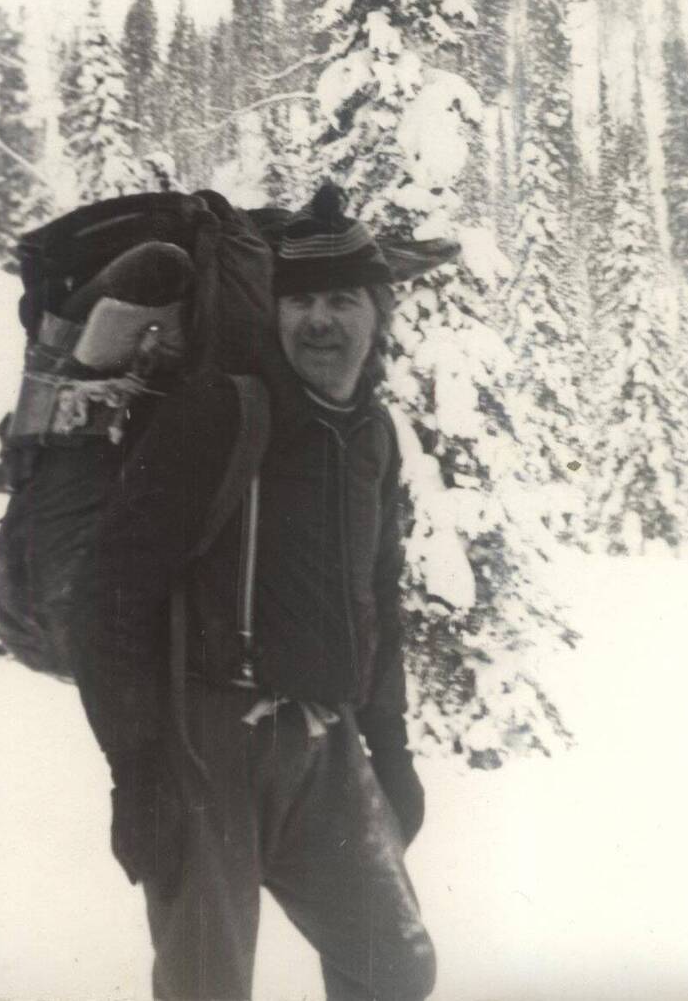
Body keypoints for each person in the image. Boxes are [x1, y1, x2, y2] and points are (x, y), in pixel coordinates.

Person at [70, 184, 438, 1001]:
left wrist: (394, 751)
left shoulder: (372, 436)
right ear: (273, 314)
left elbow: (376, 601)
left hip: (324, 747)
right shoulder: (223, 413)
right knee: (208, 986)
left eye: (343, 299)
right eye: (300, 298)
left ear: (378, 318)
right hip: (207, 743)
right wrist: (138, 768)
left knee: (394, 965)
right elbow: (109, 590)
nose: (319, 320)